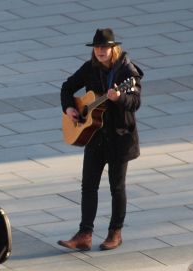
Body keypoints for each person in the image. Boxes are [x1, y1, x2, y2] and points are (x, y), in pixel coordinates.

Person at [58, 28, 143, 251]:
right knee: (88, 186)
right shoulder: (90, 68)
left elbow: (135, 102)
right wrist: (69, 108)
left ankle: (115, 232)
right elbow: (67, 87)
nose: (100, 52)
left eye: (104, 48)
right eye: (97, 48)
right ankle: (84, 234)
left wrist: (120, 97)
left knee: (117, 187)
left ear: (114, 48)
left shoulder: (127, 72)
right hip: (95, 136)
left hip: (119, 137)